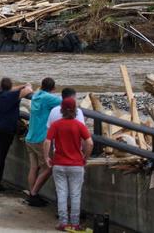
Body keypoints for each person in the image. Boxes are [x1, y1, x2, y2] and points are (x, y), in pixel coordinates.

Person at [43, 97, 93, 231]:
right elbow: (90, 143)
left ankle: (63, 223)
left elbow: (47, 141)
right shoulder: (79, 125)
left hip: (59, 163)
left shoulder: (56, 125)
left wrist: (46, 156)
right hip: (76, 164)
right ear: (75, 110)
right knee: (75, 194)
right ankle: (75, 223)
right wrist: (85, 157)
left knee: (62, 194)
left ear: (62, 110)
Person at [30, 87, 86, 204]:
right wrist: (86, 155)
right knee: (74, 191)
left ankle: (35, 196)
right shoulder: (78, 113)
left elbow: (48, 138)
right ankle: (73, 217)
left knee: (61, 189)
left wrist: (46, 156)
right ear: (72, 99)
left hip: (57, 153)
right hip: (74, 156)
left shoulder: (53, 111)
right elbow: (86, 139)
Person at [0, 77, 32, 192]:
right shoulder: (13, 96)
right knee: (1, 156)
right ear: (10, 86)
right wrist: (27, 85)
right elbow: (28, 91)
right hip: (5, 129)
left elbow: (9, 89)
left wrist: (19, 86)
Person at [24, 78, 61, 205]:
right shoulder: (48, 98)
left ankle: (32, 193)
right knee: (48, 168)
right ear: (53, 88)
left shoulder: (36, 96)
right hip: (41, 138)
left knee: (34, 167)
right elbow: (67, 102)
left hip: (30, 137)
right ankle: (33, 194)